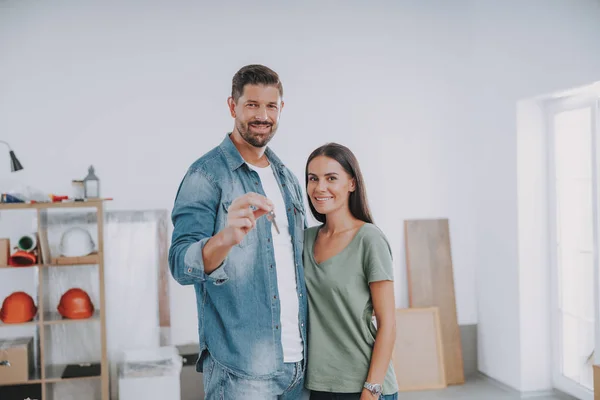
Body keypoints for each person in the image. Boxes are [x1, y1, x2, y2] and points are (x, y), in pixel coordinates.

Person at [168, 64, 308, 400]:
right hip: (240, 373)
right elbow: (179, 263)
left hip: (298, 365)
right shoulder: (206, 175)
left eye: (270, 106)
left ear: (281, 109)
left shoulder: (286, 177)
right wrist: (226, 237)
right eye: (252, 105)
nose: (262, 116)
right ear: (233, 106)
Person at [302, 143, 398, 400]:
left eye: (331, 178)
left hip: (363, 386)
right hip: (318, 385)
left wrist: (372, 389)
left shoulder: (369, 239)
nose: (320, 187)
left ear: (352, 184)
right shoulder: (304, 240)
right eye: (313, 179)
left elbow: (387, 322)